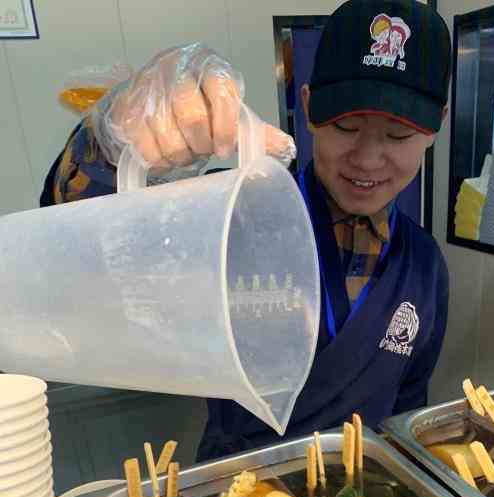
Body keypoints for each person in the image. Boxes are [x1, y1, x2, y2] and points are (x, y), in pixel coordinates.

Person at [42, 0, 452, 461]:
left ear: (435, 128)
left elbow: (406, 414)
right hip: (235, 486)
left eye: (398, 135)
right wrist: (110, 145)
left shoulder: (424, 265)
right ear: (308, 107)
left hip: (367, 493)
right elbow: (87, 242)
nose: (368, 158)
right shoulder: (233, 216)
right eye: (346, 125)